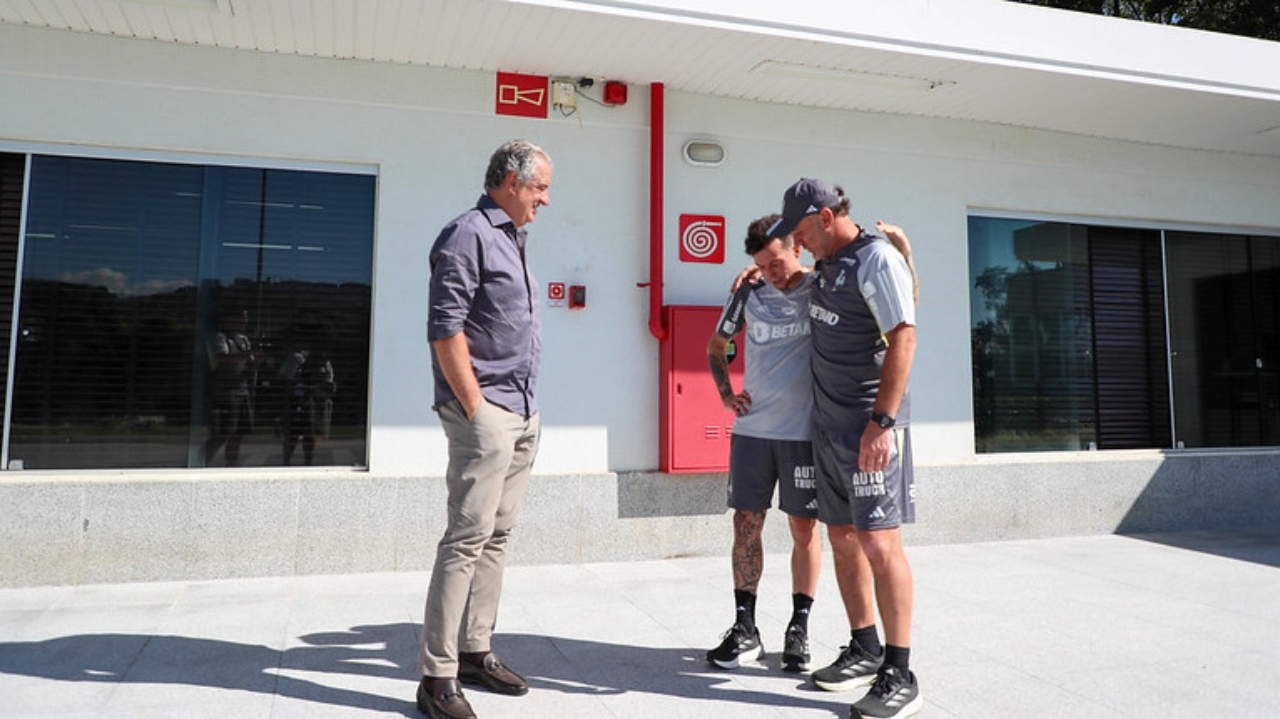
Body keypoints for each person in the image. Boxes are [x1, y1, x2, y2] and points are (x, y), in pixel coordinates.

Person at [769, 178, 922, 719]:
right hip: (827, 428)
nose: (797, 241)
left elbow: (904, 334)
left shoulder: (874, 258)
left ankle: (900, 672)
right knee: (841, 537)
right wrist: (757, 276)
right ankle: (865, 646)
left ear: (826, 217)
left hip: (868, 428)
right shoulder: (829, 266)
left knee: (880, 544)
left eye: (801, 231)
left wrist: (881, 423)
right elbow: (791, 280)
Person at [416, 139, 552, 719]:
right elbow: (445, 327)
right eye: (540, 187)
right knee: (466, 538)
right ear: (511, 182)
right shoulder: (466, 234)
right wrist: (475, 409)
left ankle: (475, 650)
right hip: (486, 413)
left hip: (521, 410)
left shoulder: (512, 238)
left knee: (497, 536)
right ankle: (437, 677)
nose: (546, 199)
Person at [705, 214, 822, 673]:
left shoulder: (820, 287)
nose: (771, 272)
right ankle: (744, 627)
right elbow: (717, 346)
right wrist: (726, 395)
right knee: (745, 527)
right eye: (762, 264)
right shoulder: (748, 292)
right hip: (753, 432)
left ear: (797, 248)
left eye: (776, 262)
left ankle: (799, 628)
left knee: (804, 529)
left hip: (802, 433)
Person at [205, 306, 259, 467]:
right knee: (222, 433)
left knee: (238, 434)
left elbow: (250, 364)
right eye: (241, 318)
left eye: (246, 319)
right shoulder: (219, 337)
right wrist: (246, 355)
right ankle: (201, 461)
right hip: (225, 393)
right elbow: (221, 358)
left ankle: (231, 464)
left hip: (243, 391)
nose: (245, 322)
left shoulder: (243, 340)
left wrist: (255, 361)